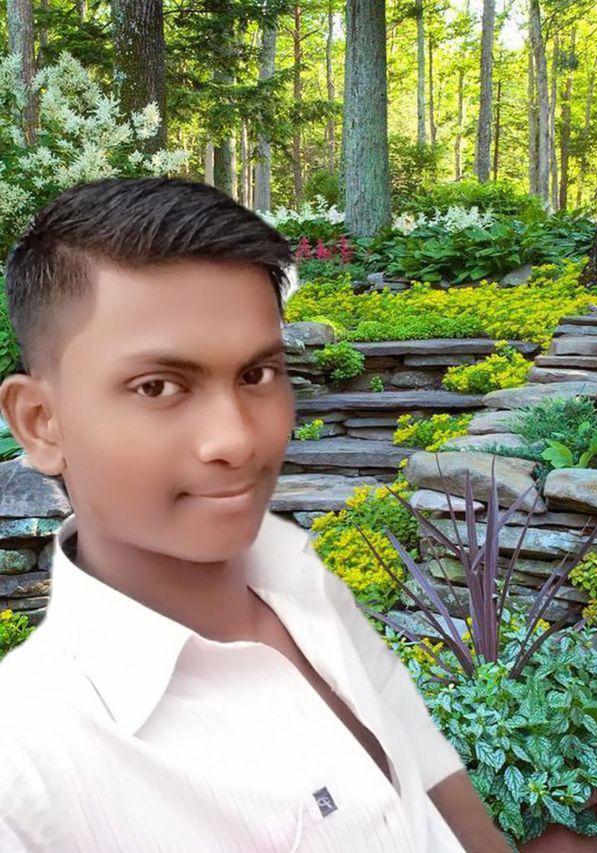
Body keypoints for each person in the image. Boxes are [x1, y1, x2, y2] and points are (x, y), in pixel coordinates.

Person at [0, 178, 509, 852]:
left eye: (256, 375)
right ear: (41, 422)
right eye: (158, 386)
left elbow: (426, 768)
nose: (237, 440)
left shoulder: (299, 571)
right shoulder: (25, 772)